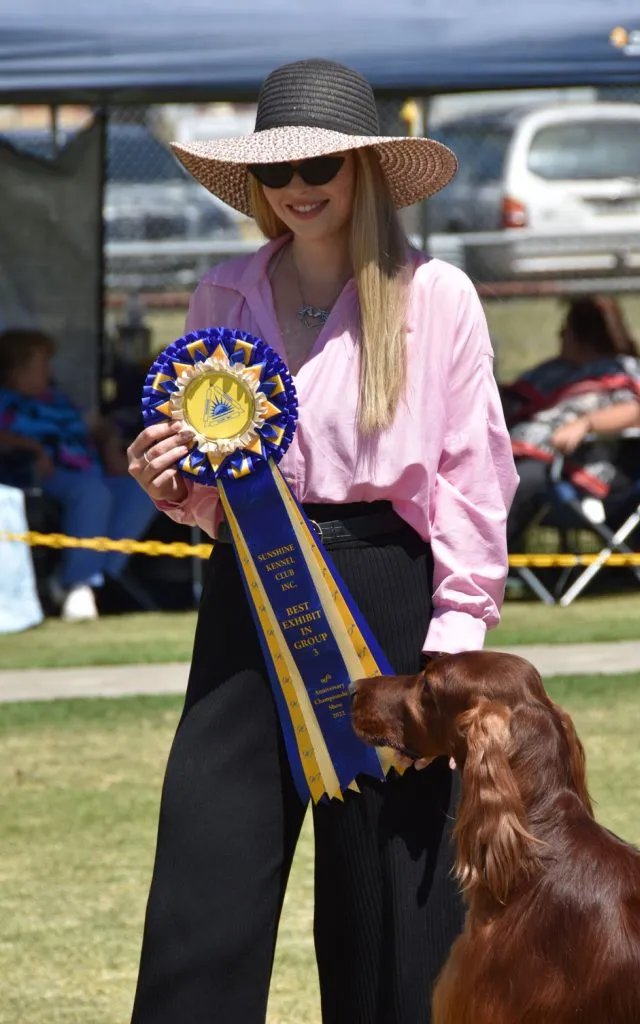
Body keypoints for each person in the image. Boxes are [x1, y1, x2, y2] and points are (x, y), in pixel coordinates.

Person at [127, 59, 518, 1024]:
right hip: (246, 595)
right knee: (203, 877)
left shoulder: (437, 297)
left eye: (324, 166)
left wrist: (455, 644)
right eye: (278, 171)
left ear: (365, 172)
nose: (300, 187)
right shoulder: (221, 291)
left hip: (391, 600)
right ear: (255, 185)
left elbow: (474, 474)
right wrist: (170, 484)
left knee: (393, 896)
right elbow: (217, 489)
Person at [0, 327, 158, 621]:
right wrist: (28, 446)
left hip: (89, 470)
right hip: (34, 475)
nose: (48, 370)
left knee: (142, 490)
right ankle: (80, 585)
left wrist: (110, 443)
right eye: (41, 364)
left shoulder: (56, 399)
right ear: (16, 370)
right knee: (91, 492)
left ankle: (88, 577)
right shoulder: (5, 400)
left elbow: (99, 425)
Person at [502, 295, 640, 547]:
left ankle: (482, 569)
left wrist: (584, 424)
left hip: (572, 467)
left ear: (581, 336)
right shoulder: (552, 371)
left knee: (517, 482)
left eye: (564, 331)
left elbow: (634, 410)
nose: (560, 337)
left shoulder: (620, 368)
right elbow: (510, 400)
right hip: (520, 455)